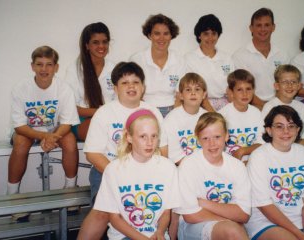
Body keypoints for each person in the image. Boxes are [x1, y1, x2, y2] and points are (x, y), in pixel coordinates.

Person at [77, 62, 163, 239]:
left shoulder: (153, 111)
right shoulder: (104, 113)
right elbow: (92, 153)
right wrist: (118, 174)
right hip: (107, 171)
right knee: (103, 212)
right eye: (124, 83)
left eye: (136, 82)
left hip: (147, 173)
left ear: (143, 87)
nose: (131, 86)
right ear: (115, 88)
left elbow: (163, 150)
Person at [8, 46, 79, 221]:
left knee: (70, 141)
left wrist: (51, 136)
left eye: (49, 65)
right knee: (21, 143)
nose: (44, 69)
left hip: (55, 131)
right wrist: (44, 137)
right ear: (32, 66)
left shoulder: (64, 88)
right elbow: (19, 127)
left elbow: (67, 123)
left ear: (56, 67)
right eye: (39, 64)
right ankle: (13, 196)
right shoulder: (21, 88)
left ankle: (70, 191)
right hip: (27, 132)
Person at [246, 105, 304, 240]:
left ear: (298, 130)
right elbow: (264, 204)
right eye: (279, 126)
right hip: (266, 220)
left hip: (302, 217)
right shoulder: (258, 156)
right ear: (269, 130)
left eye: (291, 126)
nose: (286, 131)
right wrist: (298, 234)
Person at [93, 109, 180, 239]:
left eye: (154, 136)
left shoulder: (168, 167)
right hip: (124, 236)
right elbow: (114, 218)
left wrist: (160, 232)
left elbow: (166, 212)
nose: (149, 142)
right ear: (129, 137)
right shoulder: (114, 169)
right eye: (142, 136)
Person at [175, 112, 251, 240]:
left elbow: (243, 215)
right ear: (198, 139)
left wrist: (204, 203)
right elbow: (191, 215)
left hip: (226, 224)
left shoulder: (237, 166)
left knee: (232, 231)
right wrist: (230, 221)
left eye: (217, 137)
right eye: (206, 138)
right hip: (191, 226)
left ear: (226, 136)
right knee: (233, 231)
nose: (212, 144)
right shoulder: (188, 165)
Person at [65, 22, 116, 141]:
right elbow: (72, 109)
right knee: (98, 129)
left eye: (105, 42)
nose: (101, 46)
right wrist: (101, 112)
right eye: (95, 42)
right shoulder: (74, 70)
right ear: (87, 45)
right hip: (82, 121)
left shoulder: (114, 69)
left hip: (110, 119)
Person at [130, 14, 188, 117]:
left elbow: (180, 94)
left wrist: (173, 117)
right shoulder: (137, 60)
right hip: (144, 108)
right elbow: (134, 93)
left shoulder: (180, 60)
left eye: (166, 33)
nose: (161, 38)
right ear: (149, 35)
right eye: (157, 33)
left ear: (171, 36)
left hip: (173, 108)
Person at [233, 7, 289, 110]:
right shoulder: (239, 56)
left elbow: (286, 85)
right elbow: (241, 90)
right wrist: (266, 107)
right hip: (252, 106)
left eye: (267, 25)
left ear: (273, 27)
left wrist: (276, 107)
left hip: (279, 105)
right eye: (259, 25)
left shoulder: (282, 55)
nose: (263, 29)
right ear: (251, 28)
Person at [185, 14, 234, 111]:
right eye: (206, 34)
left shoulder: (227, 58)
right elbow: (193, 89)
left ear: (218, 35)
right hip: (200, 104)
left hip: (227, 103)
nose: (210, 38)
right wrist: (212, 113)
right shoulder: (189, 59)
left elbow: (232, 87)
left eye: (214, 33)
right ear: (199, 35)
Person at [160, 72, 207, 164]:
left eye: (197, 89)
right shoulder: (171, 119)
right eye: (188, 90)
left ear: (204, 94)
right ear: (181, 95)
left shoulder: (208, 118)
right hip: (182, 165)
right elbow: (174, 156)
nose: (193, 93)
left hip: (205, 164)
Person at [219, 69, 263, 161]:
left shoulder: (257, 113)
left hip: (253, 159)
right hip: (229, 160)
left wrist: (242, 151)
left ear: (253, 90)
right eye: (239, 90)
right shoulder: (222, 115)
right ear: (231, 92)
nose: (245, 94)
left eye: (248, 89)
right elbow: (218, 146)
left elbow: (261, 143)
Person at [261, 64, 304, 145]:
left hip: (295, 150)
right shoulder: (269, 106)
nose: (289, 85)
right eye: (285, 82)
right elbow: (265, 137)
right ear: (277, 86)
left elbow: (303, 138)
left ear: (299, 86)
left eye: (293, 82)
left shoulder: (301, 107)